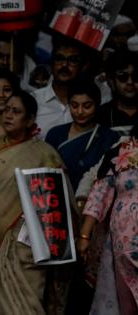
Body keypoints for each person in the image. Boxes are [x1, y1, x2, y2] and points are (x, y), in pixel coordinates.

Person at [0, 91, 65, 313]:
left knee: (26, 300)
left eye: (15, 111)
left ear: (30, 119)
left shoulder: (45, 153)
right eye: (6, 110)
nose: (8, 115)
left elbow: (60, 201)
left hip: (27, 244)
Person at [78, 124, 138, 314]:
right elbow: (99, 195)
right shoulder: (120, 152)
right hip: (124, 245)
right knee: (127, 306)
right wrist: (85, 236)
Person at [45, 79, 119, 189]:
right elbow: (46, 173)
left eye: (87, 106)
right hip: (60, 199)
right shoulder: (55, 134)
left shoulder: (109, 137)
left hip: (96, 201)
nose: (80, 112)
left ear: (97, 104)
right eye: (74, 106)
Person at [32, 37, 89, 138]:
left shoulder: (91, 103)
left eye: (73, 60)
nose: (64, 65)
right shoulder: (33, 100)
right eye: (59, 59)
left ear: (83, 66)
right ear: (51, 63)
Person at [99, 49, 138, 135]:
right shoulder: (100, 115)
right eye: (123, 77)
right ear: (111, 81)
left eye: (136, 76)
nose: (130, 82)